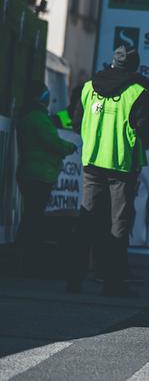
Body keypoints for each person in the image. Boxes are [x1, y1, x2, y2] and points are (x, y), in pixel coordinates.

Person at [68, 44, 149, 296]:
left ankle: (74, 279)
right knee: (119, 224)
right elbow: (145, 130)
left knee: (87, 222)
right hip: (122, 167)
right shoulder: (137, 92)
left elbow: (76, 123)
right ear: (134, 66)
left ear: (113, 62)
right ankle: (113, 283)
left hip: (92, 164)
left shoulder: (87, 88)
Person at [15, 81, 77, 276]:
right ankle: (27, 264)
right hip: (39, 175)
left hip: (32, 172)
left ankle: (23, 262)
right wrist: (70, 147)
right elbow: (52, 141)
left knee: (30, 219)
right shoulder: (39, 118)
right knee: (33, 221)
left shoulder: (31, 116)